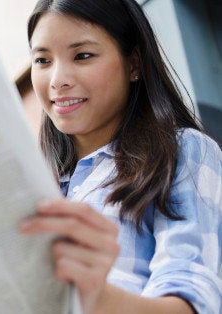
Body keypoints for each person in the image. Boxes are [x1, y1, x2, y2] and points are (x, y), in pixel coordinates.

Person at [18, 0, 221, 313]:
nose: (58, 79)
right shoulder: (36, 184)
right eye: (42, 60)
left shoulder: (182, 150)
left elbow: (192, 302)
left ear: (134, 64)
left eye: (82, 55)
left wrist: (98, 298)